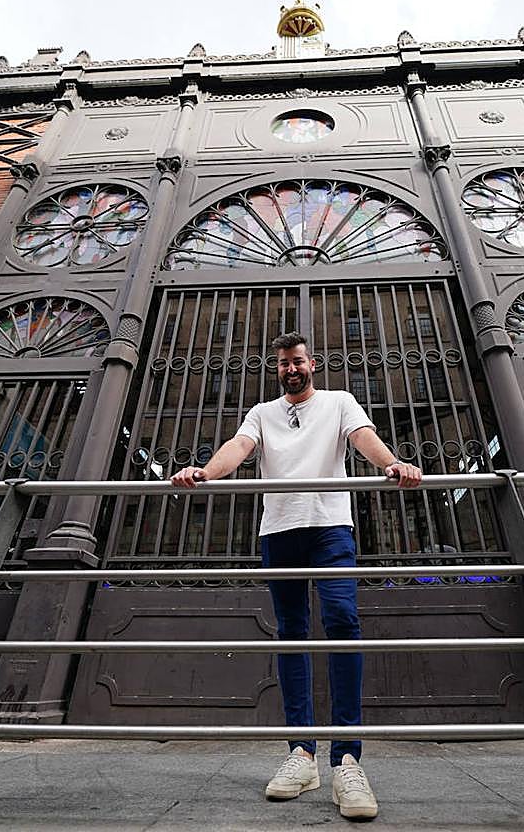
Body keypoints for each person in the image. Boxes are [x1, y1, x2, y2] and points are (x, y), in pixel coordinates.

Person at [171, 331, 422, 820]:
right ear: (278, 368)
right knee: (290, 633)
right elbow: (239, 446)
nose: (291, 369)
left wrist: (392, 464)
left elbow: (361, 438)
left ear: (313, 364)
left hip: (330, 529)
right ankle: (302, 754)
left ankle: (347, 759)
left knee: (342, 622)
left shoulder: (339, 401)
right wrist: (204, 473)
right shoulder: (263, 412)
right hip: (279, 531)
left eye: (298, 361)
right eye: (283, 363)